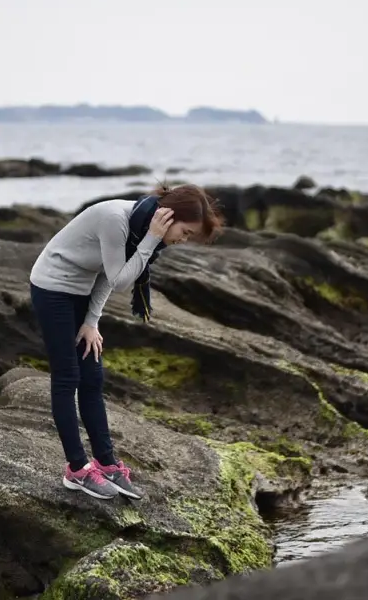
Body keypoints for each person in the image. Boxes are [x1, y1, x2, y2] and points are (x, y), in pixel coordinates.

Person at [28, 184, 223, 500]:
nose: (182, 241)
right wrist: (152, 240)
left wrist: (92, 321)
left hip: (82, 291)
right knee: (67, 377)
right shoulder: (117, 220)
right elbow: (121, 280)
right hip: (52, 288)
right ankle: (76, 469)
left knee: (92, 378)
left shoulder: (139, 229)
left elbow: (107, 274)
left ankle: (106, 464)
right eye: (185, 233)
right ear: (168, 216)